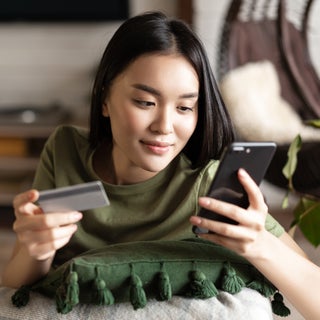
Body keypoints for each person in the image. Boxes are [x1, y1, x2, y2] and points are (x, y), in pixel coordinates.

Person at [1, 11, 320, 320]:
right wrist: (34, 247)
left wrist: (259, 244)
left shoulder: (208, 187)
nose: (164, 126)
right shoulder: (65, 150)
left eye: (184, 107)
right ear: (104, 100)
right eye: (145, 103)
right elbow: (14, 292)